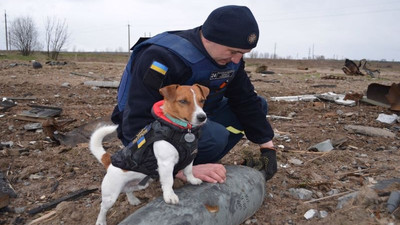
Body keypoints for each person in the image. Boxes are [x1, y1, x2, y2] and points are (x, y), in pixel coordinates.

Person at [111, 5, 277, 184]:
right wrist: (179, 171)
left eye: (243, 53)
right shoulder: (163, 57)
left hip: (196, 117)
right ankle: (174, 166)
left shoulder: (231, 61)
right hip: (148, 128)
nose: (237, 59)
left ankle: (199, 160)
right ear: (210, 38)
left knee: (259, 105)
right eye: (233, 51)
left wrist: (268, 148)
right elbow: (136, 121)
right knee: (215, 137)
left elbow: (245, 99)